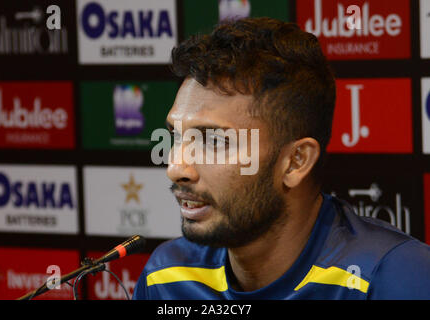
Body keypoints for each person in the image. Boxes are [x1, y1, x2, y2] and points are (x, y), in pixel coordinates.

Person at [133, 17, 430, 299]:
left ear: (296, 161)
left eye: (214, 140)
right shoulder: (167, 276)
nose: (175, 168)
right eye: (177, 136)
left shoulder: (392, 276)